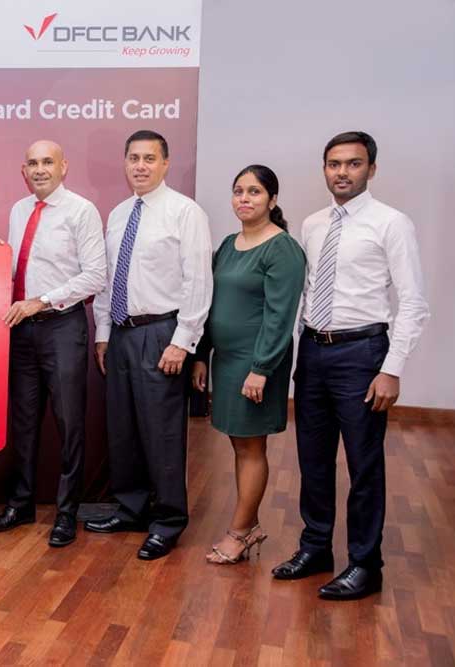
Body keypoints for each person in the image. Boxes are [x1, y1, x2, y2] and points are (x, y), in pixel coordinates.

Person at [272, 132, 429, 600]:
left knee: (364, 464)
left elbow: (414, 302)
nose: (342, 172)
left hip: (362, 355)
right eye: (334, 164)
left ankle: (365, 563)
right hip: (314, 351)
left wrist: (391, 368)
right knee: (313, 459)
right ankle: (315, 547)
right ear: (324, 168)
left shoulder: (391, 223)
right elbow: (306, 292)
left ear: (371, 169)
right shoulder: (313, 224)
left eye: (353, 164)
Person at [86, 130, 212, 560]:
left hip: (162, 332)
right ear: (125, 163)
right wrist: (104, 333)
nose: (140, 166)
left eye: (149, 158)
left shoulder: (185, 212)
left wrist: (183, 342)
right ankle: (131, 508)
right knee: (123, 428)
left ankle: (168, 520)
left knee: (162, 432)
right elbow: (108, 279)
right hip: (122, 333)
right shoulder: (120, 213)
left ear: (165, 163)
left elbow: (199, 281)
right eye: (134, 158)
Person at [0, 139, 106, 548]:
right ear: (24, 170)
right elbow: (21, 266)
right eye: (32, 163)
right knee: (23, 422)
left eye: (47, 162)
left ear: (63, 167)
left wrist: (42, 301)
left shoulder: (82, 211)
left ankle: (67, 513)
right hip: (21, 331)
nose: (39, 169)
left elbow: (95, 275)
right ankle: (21, 505)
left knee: (70, 424)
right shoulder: (20, 210)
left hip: (61, 327)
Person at [191, 165, 305, 564]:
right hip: (226, 360)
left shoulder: (282, 249)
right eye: (238, 190)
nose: (244, 198)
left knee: (251, 446)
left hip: (256, 363)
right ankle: (250, 525)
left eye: (254, 191)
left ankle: (239, 533)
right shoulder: (228, 244)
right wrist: (202, 354)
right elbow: (211, 303)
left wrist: (261, 368)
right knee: (239, 443)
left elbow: (280, 316)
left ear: (272, 200)